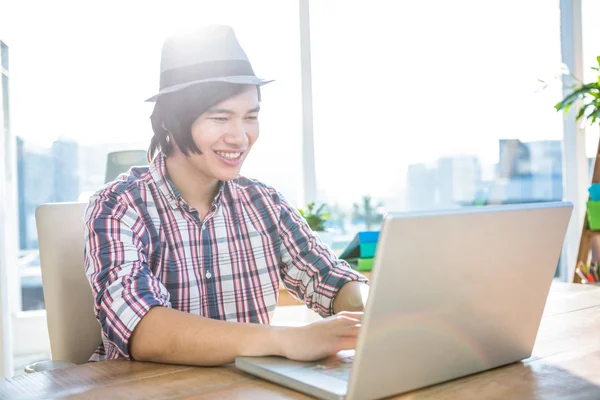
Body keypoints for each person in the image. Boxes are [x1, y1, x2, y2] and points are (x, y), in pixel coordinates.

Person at [83, 25, 369, 366]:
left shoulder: (264, 203)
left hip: (245, 389)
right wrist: (287, 339)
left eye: (250, 117)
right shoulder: (119, 206)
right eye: (220, 118)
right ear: (169, 123)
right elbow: (143, 329)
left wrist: (368, 313)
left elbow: (330, 279)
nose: (240, 137)